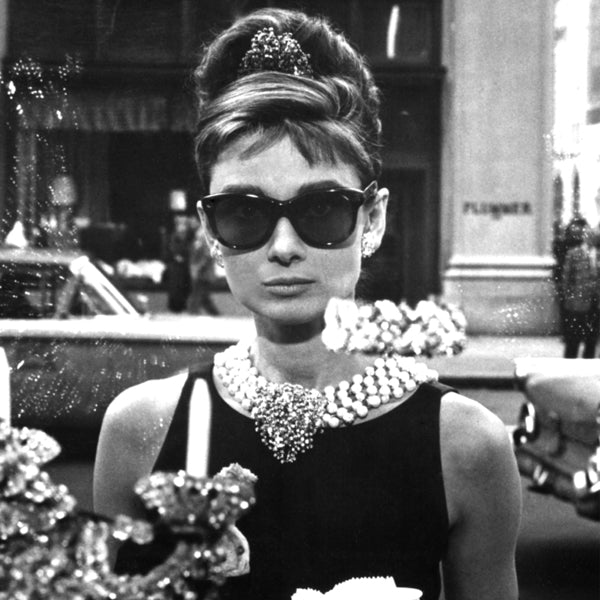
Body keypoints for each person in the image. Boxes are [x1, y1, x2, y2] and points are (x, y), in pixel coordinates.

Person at [94, 8, 521, 600]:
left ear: (373, 218)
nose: (284, 247)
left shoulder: (467, 445)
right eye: (244, 213)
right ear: (210, 229)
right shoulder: (140, 427)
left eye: (321, 209)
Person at [560, 217, 600, 358]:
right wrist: (569, 300)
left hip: (595, 303)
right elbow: (566, 279)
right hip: (577, 303)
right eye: (589, 235)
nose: (592, 237)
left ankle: (587, 365)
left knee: (591, 340)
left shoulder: (598, 254)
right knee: (573, 340)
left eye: (594, 235)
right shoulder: (573, 253)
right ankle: (569, 364)